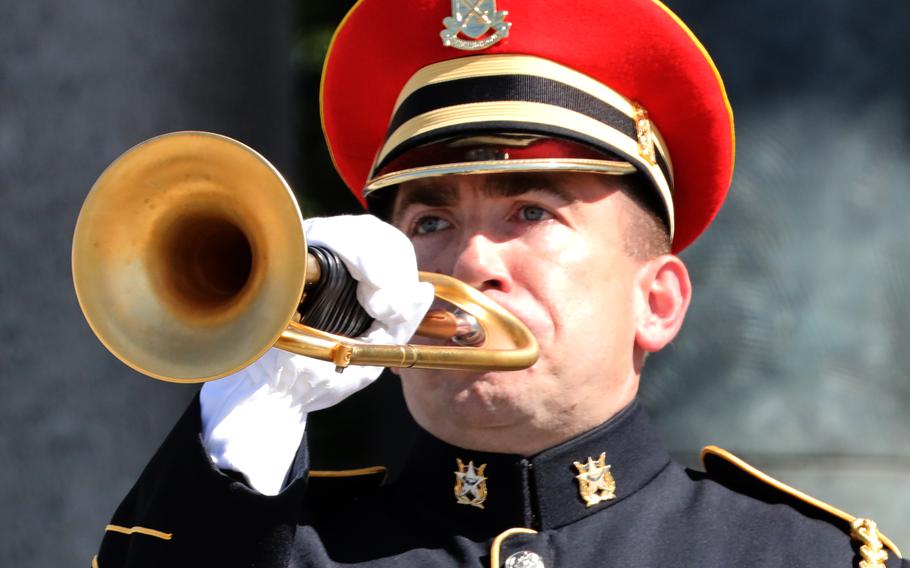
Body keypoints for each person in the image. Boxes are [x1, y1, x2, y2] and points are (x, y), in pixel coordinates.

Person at [93, 0, 906, 566]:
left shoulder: (804, 558)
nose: (469, 263)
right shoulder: (272, 547)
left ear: (656, 303)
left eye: (529, 212)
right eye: (430, 224)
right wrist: (252, 414)